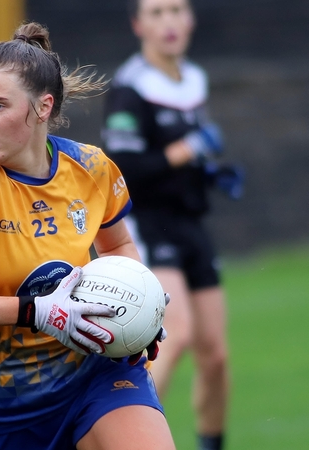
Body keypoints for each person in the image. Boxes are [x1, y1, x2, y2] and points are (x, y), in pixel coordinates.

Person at [0, 22, 174, 450]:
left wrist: (140, 306)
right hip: (2, 403)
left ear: (43, 106)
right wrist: (37, 312)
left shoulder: (91, 167)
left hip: (93, 373)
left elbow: (118, 246)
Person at [101, 1, 242, 449]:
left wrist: (206, 171)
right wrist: (187, 150)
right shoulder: (129, 87)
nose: (169, 22)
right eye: (157, 12)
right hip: (147, 225)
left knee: (216, 356)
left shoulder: (193, 80)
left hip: (190, 225)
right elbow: (122, 167)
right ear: (138, 24)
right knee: (175, 334)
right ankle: (126, 438)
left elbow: (184, 155)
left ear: (191, 19)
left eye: (176, 10)